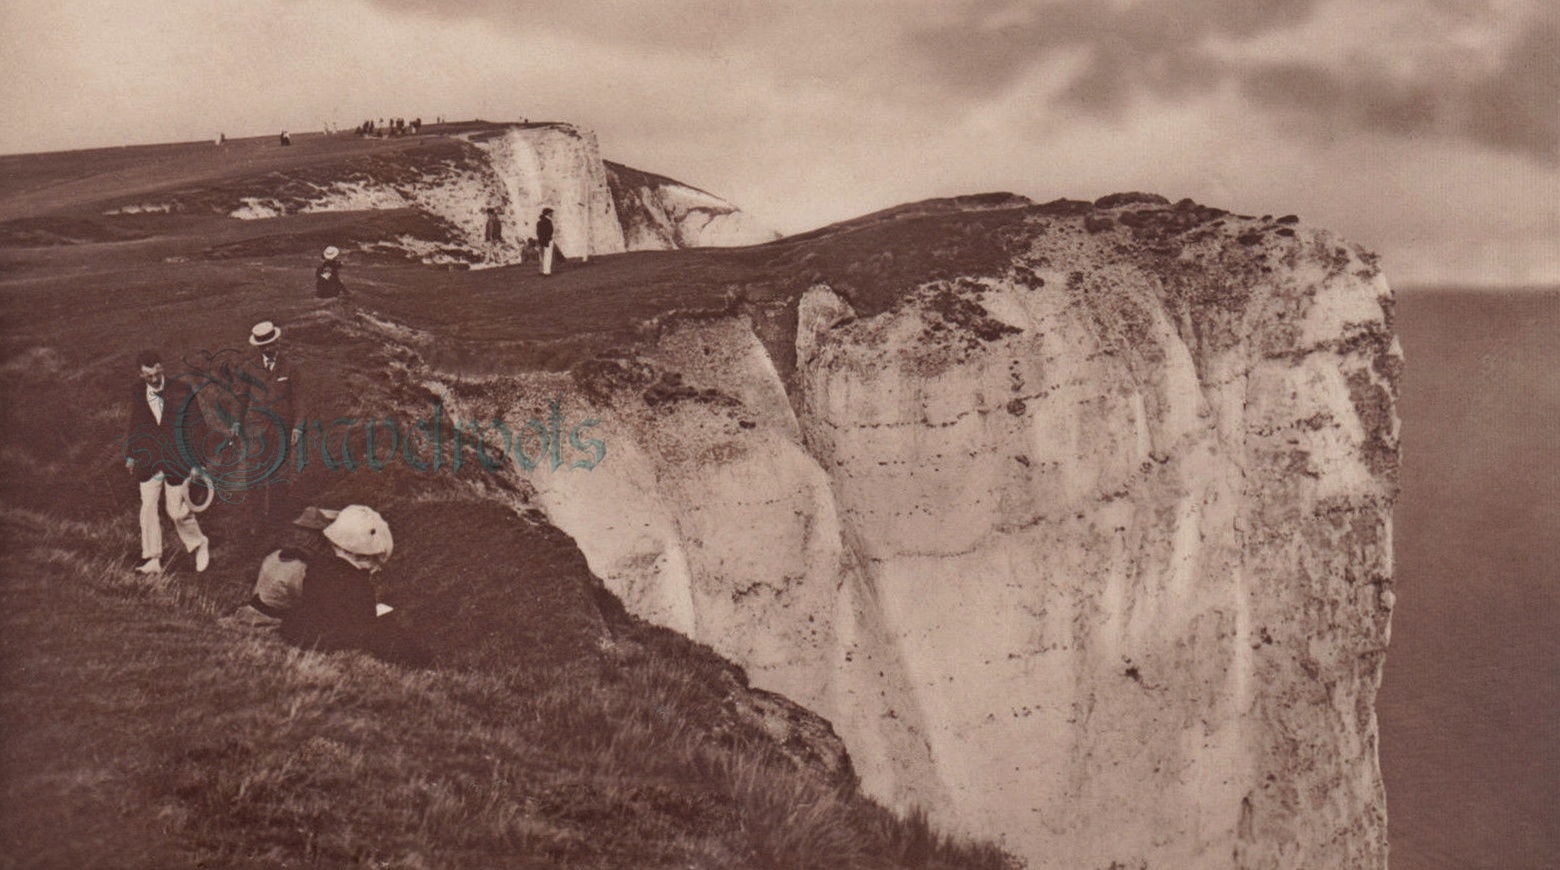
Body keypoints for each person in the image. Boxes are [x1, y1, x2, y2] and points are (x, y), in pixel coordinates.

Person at [269, 505, 426, 664]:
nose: (376, 567)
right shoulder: (359, 583)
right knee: (388, 627)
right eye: (375, 561)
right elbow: (361, 626)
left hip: (306, 632)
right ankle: (423, 663)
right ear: (364, 557)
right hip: (334, 640)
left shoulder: (317, 567)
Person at [125, 350, 210, 575]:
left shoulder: (182, 390)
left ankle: (199, 543)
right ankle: (153, 560)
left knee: (176, 511)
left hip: (177, 459)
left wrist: (197, 463)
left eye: (156, 374)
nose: (153, 380)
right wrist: (132, 453)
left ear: (162, 368)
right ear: (140, 374)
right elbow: (137, 421)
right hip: (149, 460)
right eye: (148, 376)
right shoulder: (137, 390)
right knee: (148, 508)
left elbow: (197, 426)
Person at [238, 321, 297, 524]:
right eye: (265, 346)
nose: (270, 348)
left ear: (277, 341)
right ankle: (256, 520)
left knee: (279, 474)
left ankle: (277, 519)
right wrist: (236, 424)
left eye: (273, 344)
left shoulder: (290, 366)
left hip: (281, 430)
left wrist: (298, 426)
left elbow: (300, 398)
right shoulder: (249, 368)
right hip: (256, 430)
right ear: (260, 347)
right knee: (253, 474)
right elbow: (241, 398)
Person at [536, 207, 555, 275]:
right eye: (551, 213)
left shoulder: (539, 222)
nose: (552, 214)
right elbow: (550, 231)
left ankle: (542, 270)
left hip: (541, 240)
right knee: (548, 256)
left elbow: (538, 232)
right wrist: (548, 238)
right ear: (548, 213)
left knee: (542, 256)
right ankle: (547, 271)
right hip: (548, 240)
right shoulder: (548, 221)